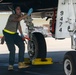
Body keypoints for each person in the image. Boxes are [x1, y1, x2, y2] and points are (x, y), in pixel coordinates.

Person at [3, 6, 33, 70]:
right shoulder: (12, 16)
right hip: (8, 34)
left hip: (14, 34)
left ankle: (21, 63)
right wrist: (27, 14)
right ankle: (11, 65)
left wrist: (22, 35)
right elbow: (18, 20)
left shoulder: (18, 17)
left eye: (20, 9)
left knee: (22, 45)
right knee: (12, 50)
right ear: (15, 11)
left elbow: (19, 26)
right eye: (18, 9)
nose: (19, 10)